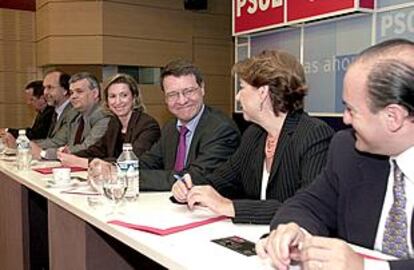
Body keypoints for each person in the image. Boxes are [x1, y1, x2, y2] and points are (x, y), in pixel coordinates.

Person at [257, 39, 414, 270]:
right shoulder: (348, 150)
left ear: (393, 117)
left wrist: (365, 268)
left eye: (351, 110)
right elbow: (308, 204)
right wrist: (295, 230)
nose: (345, 120)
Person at [172, 50, 334, 224]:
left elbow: (306, 207)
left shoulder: (314, 135)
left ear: (263, 92)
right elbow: (224, 179)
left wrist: (229, 206)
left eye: (242, 88)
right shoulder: (254, 134)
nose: (237, 96)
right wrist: (190, 185)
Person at [137, 59, 241, 191]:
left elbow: (193, 178)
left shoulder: (221, 129)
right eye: (173, 94)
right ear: (165, 98)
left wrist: (133, 178)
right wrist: (116, 170)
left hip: (210, 208)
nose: (182, 100)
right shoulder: (171, 127)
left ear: (202, 89)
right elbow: (148, 162)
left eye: (189, 91)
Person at [58, 73, 161, 167]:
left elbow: (129, 162)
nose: (118, 101)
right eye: (112, 96)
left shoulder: (148, 125)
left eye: (124, 95)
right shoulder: (114, 123)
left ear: (134, 97)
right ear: (107, 101)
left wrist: (84, 162)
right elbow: (98, 150)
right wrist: (71, 154)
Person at [32, 72, 111, 160]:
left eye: (79, 91)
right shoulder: (74, 116)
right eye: (72, 92)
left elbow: (88, 148)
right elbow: (58, 141)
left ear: (95, 93)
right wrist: (27, 145)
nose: (73, 97)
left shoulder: (103, 116)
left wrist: (46, 153)